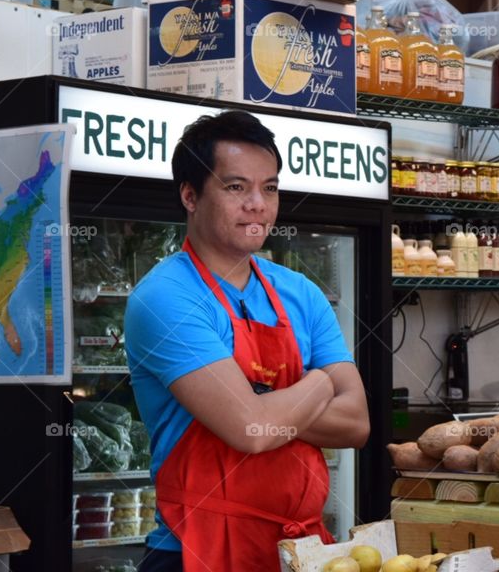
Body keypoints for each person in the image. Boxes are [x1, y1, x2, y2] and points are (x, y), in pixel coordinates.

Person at [126, 110, 369, 572]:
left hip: (299, 551)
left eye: (271, 187)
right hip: (195, 551)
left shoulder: (301, 292)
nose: (258, 204)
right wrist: (319, 383)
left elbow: (356, 424)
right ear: (190, 195)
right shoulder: (165, 297)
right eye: (236, 187)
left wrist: (264, 403)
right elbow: (250, 431)